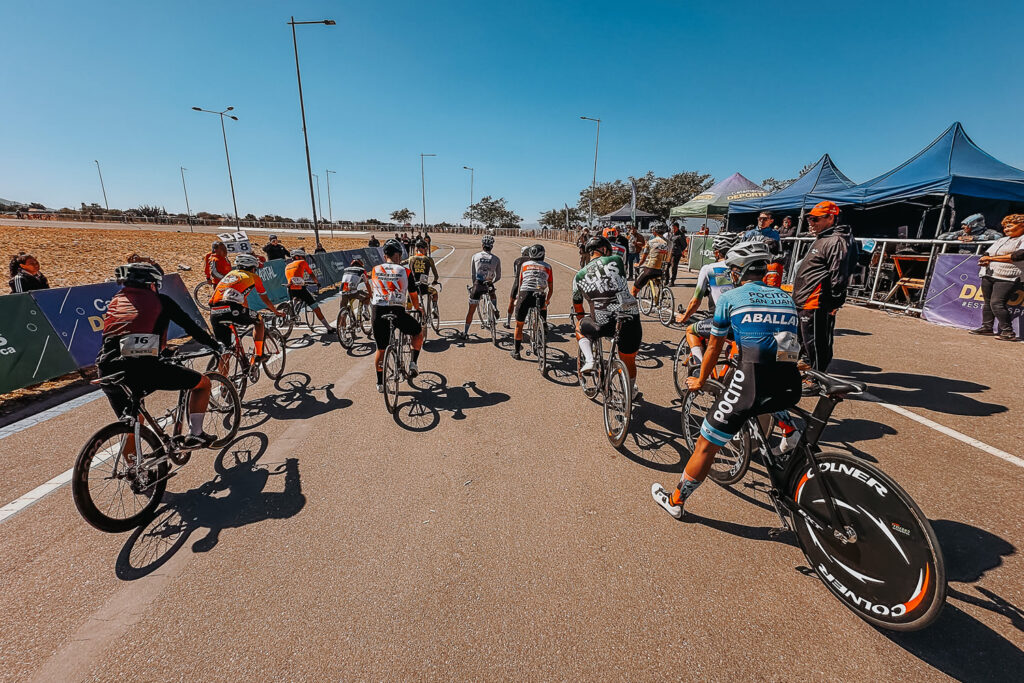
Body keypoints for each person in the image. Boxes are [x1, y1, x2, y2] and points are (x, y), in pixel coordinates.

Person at [651, 243, 801, 518]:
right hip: (789, 381)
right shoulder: (785, 297)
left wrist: (701, 379)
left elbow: (714, 347)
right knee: (766, 394)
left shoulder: (730, 298)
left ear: (736, 272)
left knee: (705, 445)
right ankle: (789, 432)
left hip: (751, 382)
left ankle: (675, 501)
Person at [96, 262, 223, 450]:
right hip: (140, 368)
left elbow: (128, 336)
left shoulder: (117, 301)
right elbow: (191, 326)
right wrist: (215, 345)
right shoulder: (160, 300)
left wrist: (161, 351)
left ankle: (133, 471)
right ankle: (196, 434)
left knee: (133, 422)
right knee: (202, 384)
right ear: (152, 284)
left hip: (106, 368)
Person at [791, 200, 855, 387]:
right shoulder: (824, 237)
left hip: (817, 301)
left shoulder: (836, 240)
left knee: (817, 344)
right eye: (809, 219)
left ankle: (817, 381)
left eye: (815, 219)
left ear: (831, 218)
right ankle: (811, 370)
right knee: (806, 341)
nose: (811, 222)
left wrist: (834, 302)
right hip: (805, 299)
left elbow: (839, 274)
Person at [571, 236, 642, 391]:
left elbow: (577, 305)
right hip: (629, 317)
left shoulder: (578, 276)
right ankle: (629, 391)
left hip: (601, 322)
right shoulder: (616, 259)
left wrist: (583, 319)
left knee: (579, 326)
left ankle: (590, 360)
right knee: (628, 358)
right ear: (604, 250)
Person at [209, 253, 283, 375]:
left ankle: (224, 384)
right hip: (232, 310)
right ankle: (259, 354)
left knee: (225, 350)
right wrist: (275, 312)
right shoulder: (253, 276)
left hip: (214, 312)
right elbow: (264, 299)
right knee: (259, 321)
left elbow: (242, 299)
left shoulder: (229, 275)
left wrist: (246, 312)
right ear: (252, 267)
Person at [370, 239, 424, 390]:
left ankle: (380, 383)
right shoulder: (405, 271)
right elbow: (413, 294)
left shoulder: (375, 269)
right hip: (397, 311)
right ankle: (413, 362)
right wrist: (418, 308)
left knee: (381, 349)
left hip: (378, 311)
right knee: (418, 332)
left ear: (384, 254)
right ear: (398, 255)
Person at [972, 213, 1024, 341]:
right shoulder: (1002, 239)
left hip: (1008, 277)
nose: (1006, 229)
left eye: (1010, 226)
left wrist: (990, 258)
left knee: (997, 303)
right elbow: (987, 252)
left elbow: (1018, 256)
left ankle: (1008, 332)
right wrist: (984, 259)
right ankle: (987, 327)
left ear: (1022, 225)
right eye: (1005, 227)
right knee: (988, 302)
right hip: (989, 273)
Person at [675, 231, 740, 327]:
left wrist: (685, 317)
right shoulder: (742, 268)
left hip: (722, 320)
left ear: (717, 252)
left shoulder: (708, 269)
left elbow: (696, 301)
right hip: (745, 319)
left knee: (691, 332)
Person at [510, 244, 553, 360]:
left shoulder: (524, 265)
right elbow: (551, 287)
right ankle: (542, 324)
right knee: (543, 306)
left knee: (519, 325)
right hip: (540, 295)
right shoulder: (548, 266)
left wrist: (518, 298)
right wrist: (547, 300)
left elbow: (520, 283)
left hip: (524, 295)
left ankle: (516, 352)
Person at [461, 235, 502, 339]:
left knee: (471, 310)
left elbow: (473, 274)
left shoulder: (475, 256)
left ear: (482, 245)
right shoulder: (496, 259)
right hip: (489, 283)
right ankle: (495, 308)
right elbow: (499, 276)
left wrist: (474, 285)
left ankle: (465, 332)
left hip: (478, 284)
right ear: (492, 246)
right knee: (493, 295)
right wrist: (492, 282)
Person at [285, 248, 335, 333]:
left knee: (295, 298)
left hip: (290, 288)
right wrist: (317, 282)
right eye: (303, 257)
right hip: (300, 288)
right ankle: (328, 327)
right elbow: (311, 274)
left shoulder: (287, 266)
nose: (304, 259)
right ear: (297, 257)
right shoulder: (302, 262)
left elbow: (293, 277)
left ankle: (290, 311)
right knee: (316, 308)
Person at [630, 228, 670, 298]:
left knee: (634, 290)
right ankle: (660, 298)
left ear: (655, 232)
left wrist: (638, 264)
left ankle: (632, 307)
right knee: (659, 282)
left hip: (650, 269)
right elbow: (668, 257)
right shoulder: (669, 243)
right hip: (662, 270)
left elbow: (644, 257)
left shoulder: (650, 242)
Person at [404, 239, 440, 314]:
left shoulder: (411, 259)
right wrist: (435, 281)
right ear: (425, 249)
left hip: (413, 288)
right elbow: (436, 275)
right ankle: (434, 308)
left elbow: (401, 263)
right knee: (435, 292)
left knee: (408, 305)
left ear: (416, 249)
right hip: (424, 287)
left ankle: (407, 315)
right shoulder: (429, 259)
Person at [938, 213, 1002, 254]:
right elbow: (941, 237)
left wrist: (974, 238)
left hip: (977, 260)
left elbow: (999, 236)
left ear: (974, 225)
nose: (962, 227)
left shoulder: (987, 231)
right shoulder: (962, 232)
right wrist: (957, 238)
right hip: (959, 259)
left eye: (965, 225)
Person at [505, 245, 531, 329]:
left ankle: (508, 321)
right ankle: (528, 318)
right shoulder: (532, 261)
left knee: (512, 301)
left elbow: (515, 274)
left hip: (517, 283)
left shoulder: (517, 260)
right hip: (528, 283)